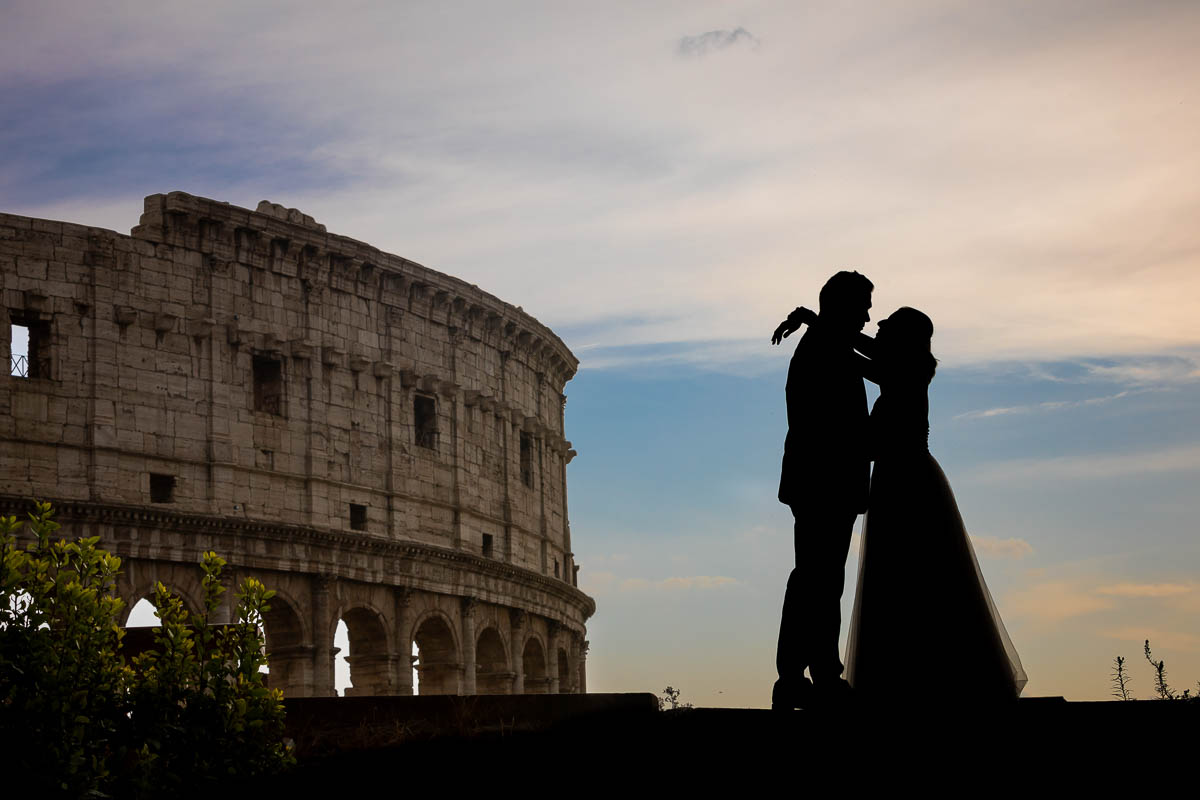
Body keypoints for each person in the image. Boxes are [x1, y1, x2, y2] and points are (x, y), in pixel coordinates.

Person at [780, 304, 1027, 704]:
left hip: (907, 482)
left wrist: (822, 326)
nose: (876, 325)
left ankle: (913, 677)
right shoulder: (904, 367)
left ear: (904, 338)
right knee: (905, 575)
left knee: (915, 572)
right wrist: (816, 320)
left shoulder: (904, 371)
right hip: (897, 479)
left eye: (888, 325)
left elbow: (859, 356)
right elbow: (862, 350)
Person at [769, 271, 874, 710]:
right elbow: (888, 372)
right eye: (863, 306)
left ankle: (800, 674)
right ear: (842, 307)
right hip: (823, 482)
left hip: (820, 482)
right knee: (820, 579)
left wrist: (816, 320)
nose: (869, 316)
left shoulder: (827, 343)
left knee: (816, 578)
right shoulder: (827, 349)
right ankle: (816, 674)